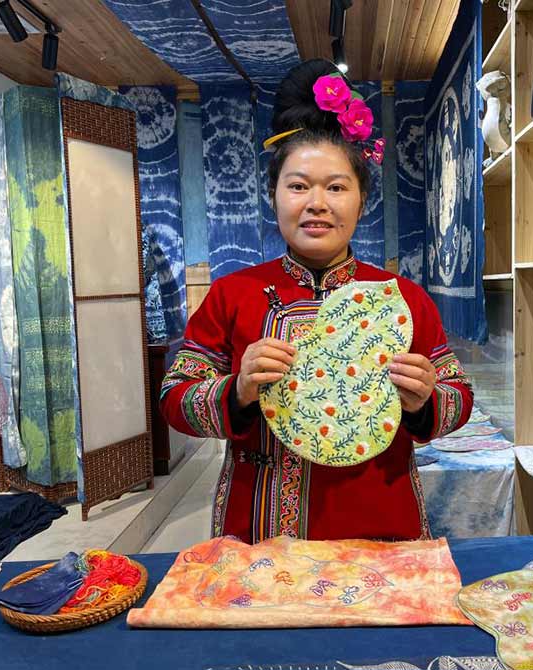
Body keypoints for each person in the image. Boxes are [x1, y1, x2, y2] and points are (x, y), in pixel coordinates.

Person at [160, 59, 473, 543]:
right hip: (261, 529)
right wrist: (237, 389)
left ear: (361, 200)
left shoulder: (403, 298)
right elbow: (174, 398)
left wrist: (427, 399)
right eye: (298, 185)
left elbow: (459, 398)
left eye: (337, 187)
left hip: (379, 524)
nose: (317, 203)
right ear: (273, 195)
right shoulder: (232, 294)